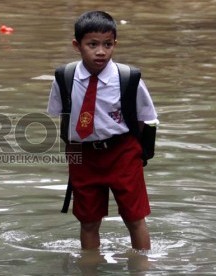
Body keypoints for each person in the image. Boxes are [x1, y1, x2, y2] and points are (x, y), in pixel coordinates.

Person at [47, 11, 158, 251]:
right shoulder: (64, 77)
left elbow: (146, 119)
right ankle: (90, 267)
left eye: (107, 45)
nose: (100, 51)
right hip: (83, 155)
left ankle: (143, 267)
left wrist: (134, 152)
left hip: (122, 152)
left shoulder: (128, 78)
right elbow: (62, 116)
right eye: (92, 44)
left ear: (115, 44)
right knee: (88, 221)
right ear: (77, 45)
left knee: (135, 218)